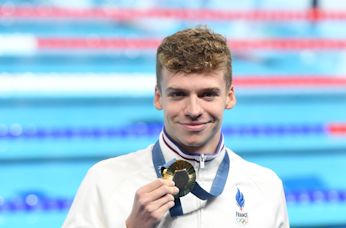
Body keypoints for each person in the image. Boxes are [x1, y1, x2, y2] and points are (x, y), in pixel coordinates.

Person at [63, 26, 289, 228]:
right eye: (178, 94)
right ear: (159, 97)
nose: (193, 110)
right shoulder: (105, 181)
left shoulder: (265, 187)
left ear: (229, 97)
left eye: (207, 94)